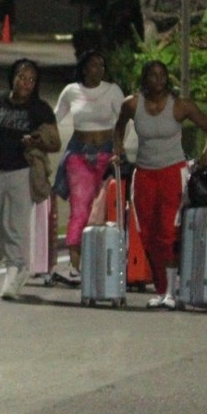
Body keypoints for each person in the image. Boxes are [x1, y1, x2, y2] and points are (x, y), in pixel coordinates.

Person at [112, 59, 207, 308]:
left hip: (172, 172)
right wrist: (118, 150)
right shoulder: (132, 104)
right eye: (152, 75)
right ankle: (161, 289)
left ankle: (173, 290)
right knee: (146, 233)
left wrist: (204, 157)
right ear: (145, 78)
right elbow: (118, 128)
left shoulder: (180, 106)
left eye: (162, 75)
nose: (158, 80)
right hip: (144, 173)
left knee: (168, 232)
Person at [0, 58, 60, 300]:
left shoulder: (40, 108)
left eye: (31, 80)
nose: (26, 83)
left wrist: (36, 140)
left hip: (21, 172)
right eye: (22, 77)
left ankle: (16, 269)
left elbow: (55, 142)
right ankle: (15, 265)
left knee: (16, 224)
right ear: (12, 77)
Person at [51, 51, 126, 285]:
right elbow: (54, 119)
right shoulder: (71, 91)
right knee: (80, 210)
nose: (98, 69)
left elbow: (125, 121)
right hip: (79, 155)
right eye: (93, 65)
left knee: (103, 210)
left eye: (101, 65)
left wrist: (118, 149)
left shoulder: (112, 91)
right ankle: (76, 267)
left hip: (106, 154)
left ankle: (104, 263)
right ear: (84, 69)